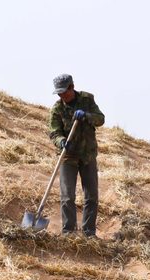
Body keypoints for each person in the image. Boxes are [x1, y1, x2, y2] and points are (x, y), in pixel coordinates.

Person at [48, 73, 105, 238]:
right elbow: (54, 132)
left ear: (72, 87)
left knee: (91, 196)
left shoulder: (87, 100)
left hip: (87, 155)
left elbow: (100, 119)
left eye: (64, 92)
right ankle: (69, 233)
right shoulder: (57, 109)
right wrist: (61, 141)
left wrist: (87, 116)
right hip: (68, 156)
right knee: (67, 196)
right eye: (59, 93)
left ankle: (89, 233)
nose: (62, 96)